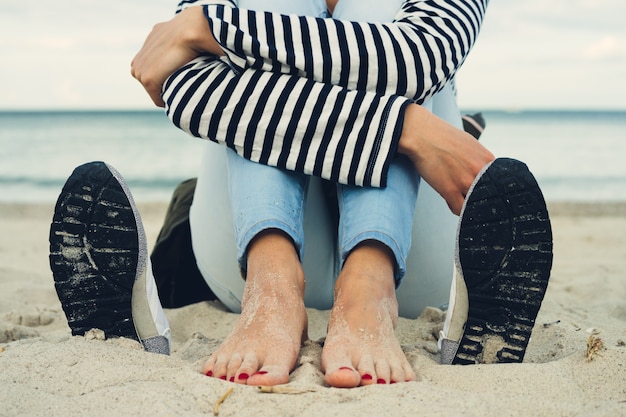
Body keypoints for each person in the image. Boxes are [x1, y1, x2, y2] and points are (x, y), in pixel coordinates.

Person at [49, 0, 553, 390]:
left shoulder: (211, 20)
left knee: (369, 13)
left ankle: (367, 285)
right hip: (247, 253)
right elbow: (180, 86)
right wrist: (407, 130)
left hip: (408, 262)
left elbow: (414, 61)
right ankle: (273, 287)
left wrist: (209, 26)